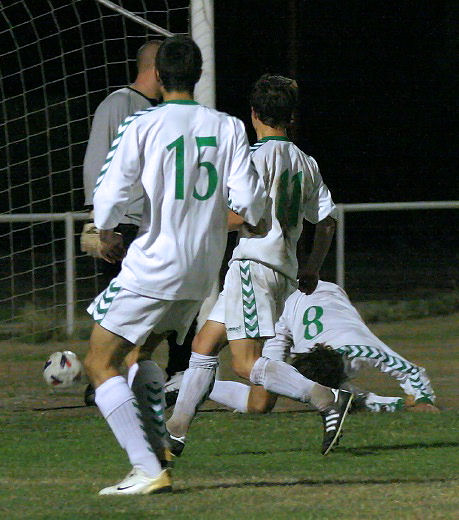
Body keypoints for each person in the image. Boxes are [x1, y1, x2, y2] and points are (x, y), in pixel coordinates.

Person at [83, 35, 267, 495]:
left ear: (160, 77)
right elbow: (251, 199)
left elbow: (110, 191)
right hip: (201, 270)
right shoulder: (226, 126)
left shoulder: (143, 123)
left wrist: (102, 229)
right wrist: (249, 221)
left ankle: (147, 467)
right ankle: (160, 444)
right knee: (140, 355)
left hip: (156, 263)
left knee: (98, 362)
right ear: (199, 75)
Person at [167, 74, 353, 459]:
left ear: (253, 115)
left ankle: (325, 398)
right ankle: (175, 431)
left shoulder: (251, 158)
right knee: (203, 345)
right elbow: (328, 220)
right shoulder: (306, 162)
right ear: (291, 117)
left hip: (255, 265)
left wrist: (197, 219)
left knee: (245, 363)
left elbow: (243, 217)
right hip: (278, 268)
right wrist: (313, 266)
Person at [80, 40, 194, 407]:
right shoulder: (118, 104)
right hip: (125, 227)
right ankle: (105, 380)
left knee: (178, 299)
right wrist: (100, 228)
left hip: (158, 228)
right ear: (158, 68)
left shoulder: (161, 110)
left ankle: (178, 372)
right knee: (120, 312)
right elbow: (97, 165)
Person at [206, 281, 439, 414]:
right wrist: (403, 405)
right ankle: (192, 384)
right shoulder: (307, 363)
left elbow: (412, 372)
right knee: (260, 402)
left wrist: (423, 400)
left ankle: (195, 384)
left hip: (325, 294)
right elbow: (351, 399)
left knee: (261, 405)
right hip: (284, 309)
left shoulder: (361, 349)